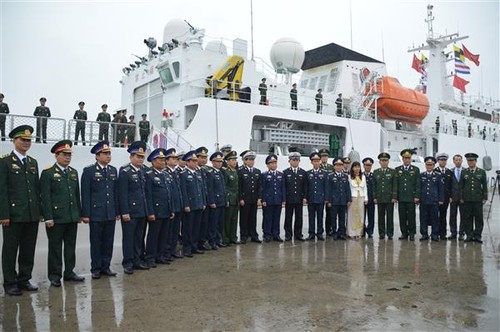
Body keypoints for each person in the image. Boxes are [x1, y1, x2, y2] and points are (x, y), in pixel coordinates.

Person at [0, 126, 40, 296]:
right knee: (10, 250)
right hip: (13, 215)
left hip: (31, 214)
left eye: (28, 140)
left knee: (28, 249)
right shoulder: (5, 161)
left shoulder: (32, 162)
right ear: (14, 141)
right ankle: (9, 282)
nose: (26, 143)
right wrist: (4, 214)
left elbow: (36, 190)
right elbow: (2, 189)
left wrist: (39, 211)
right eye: (22, 140)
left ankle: (24, 279)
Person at [40, 140, 84, 287]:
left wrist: (78, 213)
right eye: (64, 155)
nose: (67, 157)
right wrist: (48, 217)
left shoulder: (73, 172)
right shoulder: (48, 173)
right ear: (56, 155)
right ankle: (54, 275)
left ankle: (69, 272)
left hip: (71, 217)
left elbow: (76, 195)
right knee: (55, 248)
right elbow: (45, 197)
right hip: (56, 218)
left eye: (69, 155)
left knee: (70, 247)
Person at [80, 140, 118, 279]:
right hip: (96, 213)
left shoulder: (113, 170)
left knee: (108, 242)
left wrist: (117, 211)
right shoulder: (89, 171)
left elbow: (115, 193)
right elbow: (85, 194)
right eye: (105, 153)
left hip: (110, 213)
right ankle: (95, 268)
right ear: (97, 156)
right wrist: (85, 214)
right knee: (96, 242)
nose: (108, 156)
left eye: (109, 153)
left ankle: (105, 267)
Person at [118, 141, 151, 274]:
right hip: (130, 212)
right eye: (137, 156)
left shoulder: (144, 171)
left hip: (142, 211)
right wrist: (124, 212)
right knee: (129, 238)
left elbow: (146, 193)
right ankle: (128, 262)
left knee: (139, 238)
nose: (140, 159)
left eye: (142, 157)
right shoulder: (125, 171)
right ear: (131, 157)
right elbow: (123, 194)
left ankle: (137, 260)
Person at [144, 148, 174, 267]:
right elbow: (149, 195)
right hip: (156, 211)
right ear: (153, 161)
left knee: (163, 235)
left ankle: (160, 256)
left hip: (166, 210)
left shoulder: (165, 175)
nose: (163, 162)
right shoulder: (149, 175)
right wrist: (150, 212)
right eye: (160, 160)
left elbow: (168, 194)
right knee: (153, 235)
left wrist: (171, 209)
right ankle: (150, 258)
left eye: (163, 160)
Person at [180, 150, 206, 257]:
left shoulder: (198, 173)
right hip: (189, 206)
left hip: (198, 204)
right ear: (187, 162)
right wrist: (186, 204)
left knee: (196, 227)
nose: (195, 163)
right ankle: (187, 248)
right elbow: (183, 191)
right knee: (188, 228)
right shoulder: (183, 174)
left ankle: (194, 246)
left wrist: (203, 202)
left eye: (196, 161)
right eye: (193, 161)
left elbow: (201, 190)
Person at [460, 152, 488, 243]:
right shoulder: (464, 172)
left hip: (478, 199)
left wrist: (485, 197)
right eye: (469, 161)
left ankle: (478, 236)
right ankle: (469, 235)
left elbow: (484, 186)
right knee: (467, 218)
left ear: (475, 161)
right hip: (467, 199)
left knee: (479, 218)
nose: (470, 163)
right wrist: (461, 197)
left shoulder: (481, 172)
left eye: (472, 161)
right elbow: (461, 186)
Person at [395, 149, 420, 241]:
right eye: (405, 158)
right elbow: (396, 184)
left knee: (411, 216)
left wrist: (417, 196)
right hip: (401, 198)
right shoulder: (397, 170)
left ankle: (412, 233)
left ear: (411, 159)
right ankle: (404, 233)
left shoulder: (415, 170)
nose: (407, 160)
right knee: (402, 216)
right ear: (402, 159)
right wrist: (396, 197)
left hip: (411, 197)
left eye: (408, 158)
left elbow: (418, 184)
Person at [259, 154, 286, 242]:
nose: (274, 164)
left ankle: (276, 234)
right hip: (268, 200)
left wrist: (283, 200)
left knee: (276, 218)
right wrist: (263, 199)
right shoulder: (264, 175)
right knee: (267, 218)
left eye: (275, 162)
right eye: (271, 163)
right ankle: (267, 234)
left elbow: (283, 188)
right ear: (267, 165)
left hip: (277, 199)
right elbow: (262, 188)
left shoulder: (280, 174)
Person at [238, 150, 262, 243]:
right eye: (249, 159)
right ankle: (244, 235)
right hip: (245, 199)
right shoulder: (240, 171)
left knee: (253, 218)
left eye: (252, 159)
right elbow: (239, 186)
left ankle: (253, 235)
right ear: (244, 160)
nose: (251, 161)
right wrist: (240, 198)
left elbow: (259, 186)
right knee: (244, 218)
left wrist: (259, 198)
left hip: (254, 199)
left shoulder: (257, 171)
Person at [283, 152, 307, 241]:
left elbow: (305, 186)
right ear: (289, 161)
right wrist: (284, 199)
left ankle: (298, 234)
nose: (295, 162)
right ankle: (288, 234)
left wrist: (304, 197)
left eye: (297, 160)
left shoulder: (303, 172)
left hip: (299, 199)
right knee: (288, 217)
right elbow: (284, 187)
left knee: (299, 217)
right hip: (289, 199)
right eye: (293, 160)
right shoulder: (285, 172)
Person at [373, 152, 397, 240]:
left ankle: (390, 233)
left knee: (390, 217)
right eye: (382, 160)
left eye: (385, 160)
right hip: (380, 198)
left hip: (389, 198)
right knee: (380, 216)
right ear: (379, 162)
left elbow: (395, 185)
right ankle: (381, 233)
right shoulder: (376, 172)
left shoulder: (392, 172)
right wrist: (374, 197)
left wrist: (394, 197)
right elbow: (374, 186)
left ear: (388, 162)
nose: (384, 162)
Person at [419, 156, 444, 242]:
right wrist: (418, 198)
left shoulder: (438, 175)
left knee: (435, 219)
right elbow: (419, 188)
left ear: (434, 165)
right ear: (425, 165)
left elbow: (441, 188)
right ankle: (424, 234)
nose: (429, 166)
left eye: (431, 165)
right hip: (424, 200)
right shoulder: (421, 175)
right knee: (423, 218)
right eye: (427, 165)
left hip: (434, 201)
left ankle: (435, 234)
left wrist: (441, 199)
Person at [164, 148, 183, 259]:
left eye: (176, 158)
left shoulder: (176, 172)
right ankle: (166, 252)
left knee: (175, 231)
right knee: (168, 232)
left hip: (177, 206)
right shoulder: (165, 172)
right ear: (167, 160)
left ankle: (172, 251)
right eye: (173, 158)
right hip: (170, 207)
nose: (175, 160)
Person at [326, 158, 352, 240]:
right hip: (334, 201)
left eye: (340, 165)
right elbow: (328, 189)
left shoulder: (345, 176)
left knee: (342, 218)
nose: (339, 167)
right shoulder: (330, 176)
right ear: (334, 166)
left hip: (343, 201)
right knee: (333, 218)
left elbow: (347, 189)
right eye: (337, 165)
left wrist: (349, 199)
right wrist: (329, 200)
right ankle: (334, 233)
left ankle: (341, 233)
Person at [206, 152, 227, 249]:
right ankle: (212, 241)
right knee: (213, 223)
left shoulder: (221, 172)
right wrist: (212, 201)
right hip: (215, 202)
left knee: (220, 223)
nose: (219, 163)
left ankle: (218, 240)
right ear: (213, 162)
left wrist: (226, 200)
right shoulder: (210, 173)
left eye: (221, 161)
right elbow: (210, 189)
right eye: (217, 162)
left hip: (221, 201)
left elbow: (223, 188)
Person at [305, 152, 327, 241]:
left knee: (320, 216)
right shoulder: (308, 173)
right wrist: (305, 197)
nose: (316, 163)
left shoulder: (324, 173)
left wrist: (326, 198)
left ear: (320, 162)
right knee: (311, 216)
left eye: (318, 161)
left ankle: (320, 233)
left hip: (320, 198)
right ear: (311, 162)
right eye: (314, 161)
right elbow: (306, 187)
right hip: (311, 198)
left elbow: (326, 187)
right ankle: (311, 233)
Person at [434, 152, 453, 240]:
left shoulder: (449, 172)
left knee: (443, 216)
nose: (443, 162)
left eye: (444, 160)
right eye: (441, 160)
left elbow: (451, 186)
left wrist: (450, 197)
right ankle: (435, 233)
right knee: (435, 216)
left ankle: (443, 234)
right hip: (435, 198)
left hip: (445, 198)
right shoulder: (434, 171)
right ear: (438, 161)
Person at [222, 150, 239, 246]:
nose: (234, 162)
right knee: (227, 220)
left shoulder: (235, 171)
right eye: (232, 160)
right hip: (229, 199)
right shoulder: (225, 172)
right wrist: (227, 199)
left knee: (234, 219)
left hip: (235, 199)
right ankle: (226, 238)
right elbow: (225, 187)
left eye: (235, 160)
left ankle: (233, 237)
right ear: (227, 161)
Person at [347, 161, 367, 238]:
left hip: (361, 198)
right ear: (352, 168)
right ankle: (351, 233)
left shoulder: (363, 177)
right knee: (352, 216)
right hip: (353, 198)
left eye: (358, 167)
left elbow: (365, 188)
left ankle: (359, 233)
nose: (357, 168)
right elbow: (348, 189)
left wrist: (366, 198)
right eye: (355, 167)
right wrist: (348, 199)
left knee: (360, 216)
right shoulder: (349, 177)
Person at [195, 147, 210, 251]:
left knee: (203, 224)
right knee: (195, 226)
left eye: (205, 157)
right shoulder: (193, 171)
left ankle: (201, 243)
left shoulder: (204, 170)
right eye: (202, 157)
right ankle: (194, 245)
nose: (204, 160)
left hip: (204, 202)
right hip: (195, 203)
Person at [319, 148, 334, 236]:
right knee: (320, 214)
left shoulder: (331, 167)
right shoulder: (318, 166)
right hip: (320, 193)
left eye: (326, 156)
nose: (324, 158)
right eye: (322, 156)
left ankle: (329, 229)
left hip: (329, 193)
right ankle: (320, 230)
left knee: (330, 213)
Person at [449, 154, 464, 240]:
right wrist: (450, 196)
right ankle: (453, 233)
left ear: (462, 161)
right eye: (456, 160)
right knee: (452, 216)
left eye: (459, 160)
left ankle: (461, 233)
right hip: (453, 198)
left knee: (463, 216)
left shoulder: (465, 172)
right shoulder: (451, 172)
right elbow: (449, 186)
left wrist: (464, 197)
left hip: (462, 199)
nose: (458, 161)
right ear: (454, 161)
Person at [362, 157, 375, 238]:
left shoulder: (374, 176)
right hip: (362, 199)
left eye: (369, 165)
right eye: (366, 165)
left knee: (371, 216)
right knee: (362, 216)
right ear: (363, 165)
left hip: (371, 199)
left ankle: (370, 231)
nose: (368, 167)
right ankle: (362, 230)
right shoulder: (360, 176)